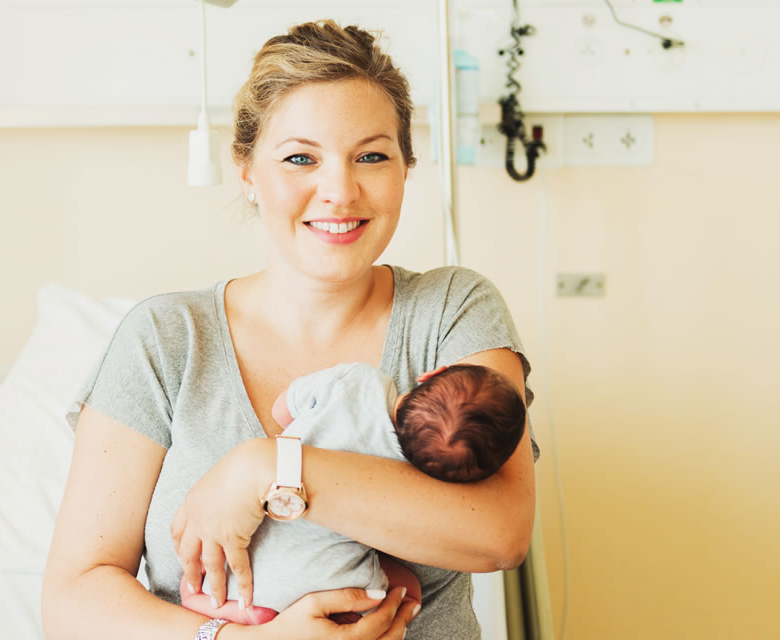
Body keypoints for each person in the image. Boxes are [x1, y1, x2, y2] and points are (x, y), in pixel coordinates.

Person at [40, 20, 540, 640]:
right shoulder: (165, 341)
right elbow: (74, 598)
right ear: (247, 171)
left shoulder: (451, 311)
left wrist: (268, 469)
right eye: (301, 157)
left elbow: (501, 534)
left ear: (406, 168)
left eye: (372, 156)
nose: (339, 190)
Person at [174, 362, 528, 626]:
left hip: (243, 567)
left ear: (432, 374)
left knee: (223, 580)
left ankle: (210, 603)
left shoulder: (358, 381)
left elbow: (281, 409)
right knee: (404, 590)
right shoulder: (415, 481)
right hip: (326, 591)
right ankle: (256, 617)